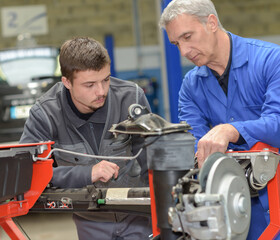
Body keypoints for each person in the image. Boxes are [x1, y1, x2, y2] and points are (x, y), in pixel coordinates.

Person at [160, 0, 280, 239]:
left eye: (187, 36)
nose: (183, 51)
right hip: (234, 210)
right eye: (176, 43)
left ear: (211, 23)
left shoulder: (270, 60)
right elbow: (193, 143)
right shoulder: (191, 87)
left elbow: (277, 122)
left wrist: (232, 130)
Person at [20, 37, 152, 240]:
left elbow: (150, 157)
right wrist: (86, 173)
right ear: (66, 82)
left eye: (106, 80)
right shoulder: (45, 114)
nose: (101, 91)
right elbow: (28, 172)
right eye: (89, 85)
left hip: (137, 217)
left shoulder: (131, 98)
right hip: (91, 223)